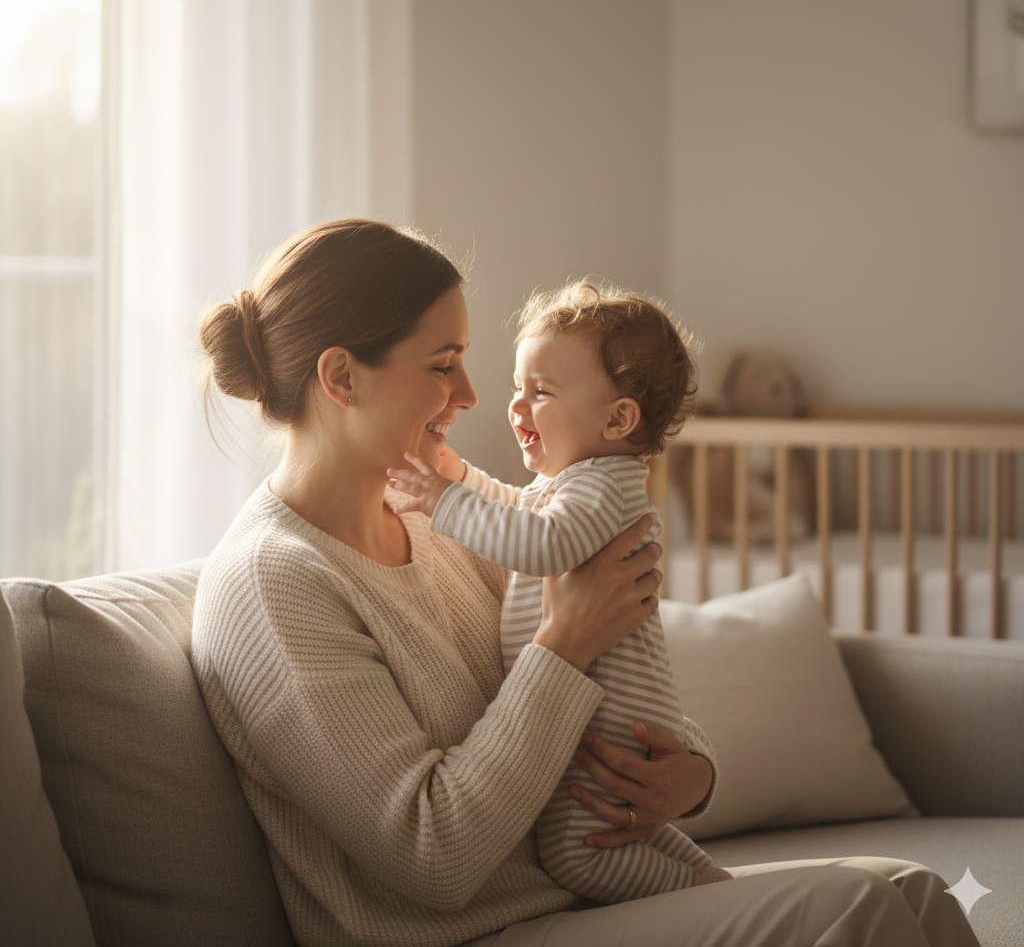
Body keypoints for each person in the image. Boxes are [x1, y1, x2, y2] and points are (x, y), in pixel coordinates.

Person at [193, 218, 981, 947]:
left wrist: (690, 776)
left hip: (582, 903)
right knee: (867, 905)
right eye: (443, 366)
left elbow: (611, 683)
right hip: (479, 934)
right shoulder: (273, 585)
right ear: (342, 378)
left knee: (908, 891)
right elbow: (436, 857)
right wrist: (564, 643)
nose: (471, 398)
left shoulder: (447, 525)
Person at [387, 280, 732, 903]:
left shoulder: (602, 486)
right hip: (606, 719)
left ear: (618, 418)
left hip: (607, 728)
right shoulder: (578, 486)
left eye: (540, 392)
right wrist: (462, 478)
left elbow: (539, 543)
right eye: (518, 388)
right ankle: (702, 876)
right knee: (629, 833)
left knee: (579, 855)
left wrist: (445, 500)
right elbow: (521, 514)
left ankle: (698, 892)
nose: (515, 406)